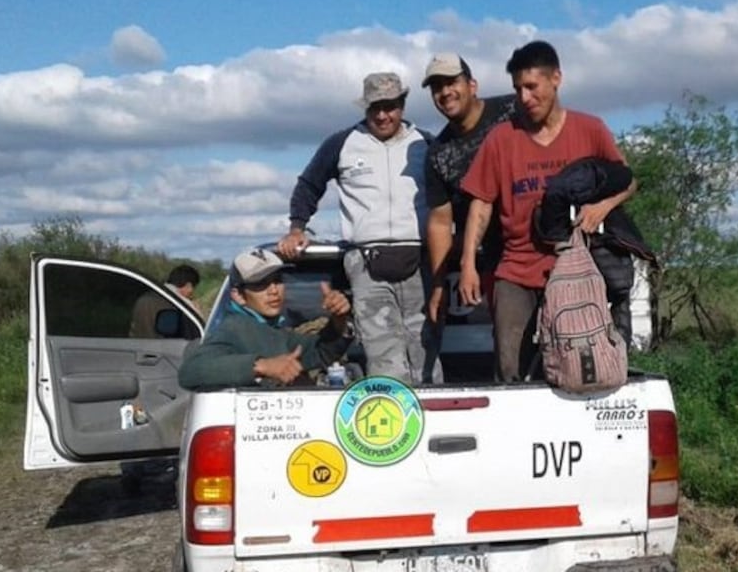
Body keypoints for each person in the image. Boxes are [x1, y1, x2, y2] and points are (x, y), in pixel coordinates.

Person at [458, 40, 637, 381]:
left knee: (580, 366)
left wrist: (602, 207)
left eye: (531, 86)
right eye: (517, 89)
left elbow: (627, 181)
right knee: (510, 367)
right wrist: (468, 264)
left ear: (556, 79)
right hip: (518, 269)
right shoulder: (501, 138)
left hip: (577, 269)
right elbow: (481, 203)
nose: (524, 97)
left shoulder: (590, 129)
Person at [276, 72, 439, 384]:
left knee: (425, 350)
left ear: (402, 105)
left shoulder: (427, 143)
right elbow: (309, 184)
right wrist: (298, 227)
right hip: (365, 262)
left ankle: (434, 409)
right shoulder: (341, 143)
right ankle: (394, 413)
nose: (383, 115)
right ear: (365, 108)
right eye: (375, 108)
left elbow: (453, 195)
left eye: (390, 107)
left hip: (420, 258)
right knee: (384, 357)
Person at [421, 53, 517, 329]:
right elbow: (440, 222)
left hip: (542, 246)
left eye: (452, 82)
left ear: (472, 85)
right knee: (509, 344)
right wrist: (439, 284)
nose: (445, 92)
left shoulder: (513, 110)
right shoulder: (438, 153)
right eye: (437, 87)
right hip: (493, 259)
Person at [178, 248, 354, 390]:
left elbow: (320, 352)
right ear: (238, 296)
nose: (273, 290)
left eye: (277, 280)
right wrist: (262, 366)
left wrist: (338, 320)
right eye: (260, 284)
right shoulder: (233, 327)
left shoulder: (273, 329)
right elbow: (191, 371)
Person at [129, 263, 202, 338]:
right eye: (193, 288)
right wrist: (195, 310)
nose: (192, 292)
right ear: (188, 285)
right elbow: (198, 330)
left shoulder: (144, 297)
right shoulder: (181, 303)